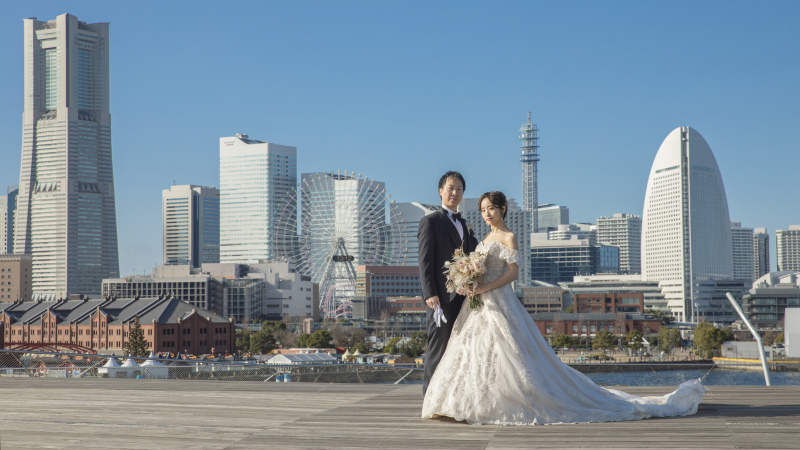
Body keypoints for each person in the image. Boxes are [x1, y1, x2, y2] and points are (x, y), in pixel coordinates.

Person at [422, 191, 705, 425]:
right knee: (474, 351)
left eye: (492, 208)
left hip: (497, 299)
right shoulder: (482, 238)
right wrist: (467, 280)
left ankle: (503, 401)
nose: (487, 213)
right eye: (483, 209)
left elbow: (512, 274)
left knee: (507, 352)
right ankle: (465, 402)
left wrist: (483, 287)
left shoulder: (508, 237)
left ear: (503, 209)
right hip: (478, 305)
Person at [418, 171, 478, 396]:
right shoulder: (430, 221)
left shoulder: (464, 224)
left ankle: (451, 397)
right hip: (441, 299)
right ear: (440, 191)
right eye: (450, 188)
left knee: (459, 349)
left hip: (464, 297)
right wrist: (430, 294)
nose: (454, 193)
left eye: (459, 189)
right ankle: (429, 399)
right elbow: (425, 261)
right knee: (438, 347)